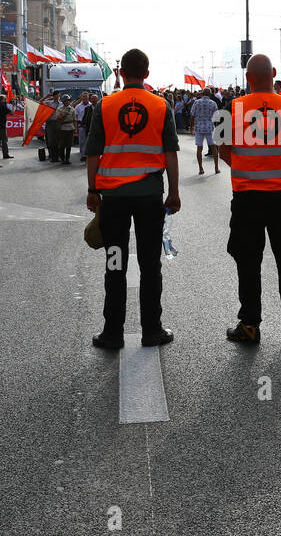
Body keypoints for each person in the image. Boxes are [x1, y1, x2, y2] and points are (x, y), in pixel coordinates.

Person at [85, 48, 180, 349]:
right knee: (150, 265)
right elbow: (171, 154)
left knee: (115, 263)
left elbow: (92, 153)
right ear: (147, 74)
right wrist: (174, 191)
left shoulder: (105, 105)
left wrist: (92, 190)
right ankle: (152, 330)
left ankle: (112, 333)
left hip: (113, 199)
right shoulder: (161, 105)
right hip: (150, 197)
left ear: (121, 73)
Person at [222, 54, 281, 344]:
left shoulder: (231, 108)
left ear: (247, 78)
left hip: (247, 198)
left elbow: (222, 151)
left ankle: (249, 325)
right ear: (273, 73)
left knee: (248, 262)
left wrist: (247, 168)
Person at [190, 87, 220, 175]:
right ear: (210, 94)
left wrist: (191, 127)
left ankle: (201, 169)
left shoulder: (196, 102)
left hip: (199, 128)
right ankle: (216, 168)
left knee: (199, 148)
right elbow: (216, 117)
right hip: (210, 127)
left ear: (202, 93)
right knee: (213, 147)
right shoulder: (213, 103)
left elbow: (192, 115)